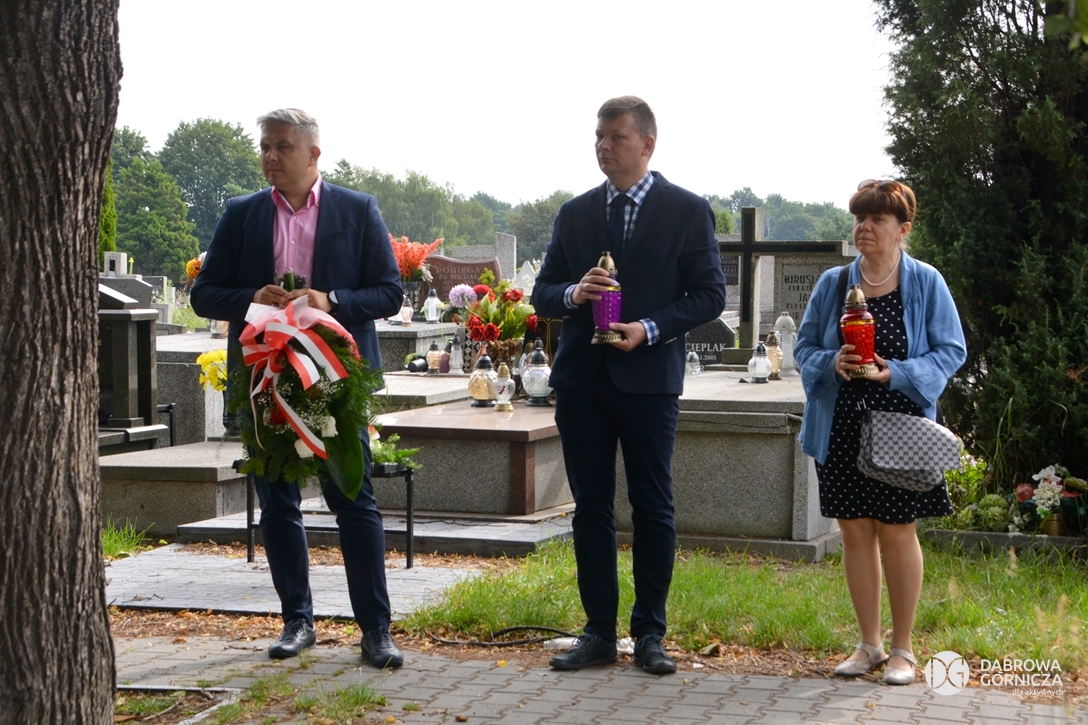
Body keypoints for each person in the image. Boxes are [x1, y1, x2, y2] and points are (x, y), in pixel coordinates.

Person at [191, 108, 405, 668]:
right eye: (265, 146)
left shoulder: (357, 209)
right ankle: (297, 621)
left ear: (313, 154)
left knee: (353, 499)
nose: (270, 157)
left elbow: (389, 292)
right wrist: (251, 298)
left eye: (282, 147)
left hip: (336, 378)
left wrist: (328, 300)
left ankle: (376, 630)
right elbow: (204, 294)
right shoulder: (241, 214)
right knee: (278, 503)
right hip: (265, 379)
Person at [533, 96, 726, 675]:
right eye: (598, 136)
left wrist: (649, 328)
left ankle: (650, 634)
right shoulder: (575, 213)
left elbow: (709, 295)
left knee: (653, 507)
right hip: (582, 383)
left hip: (648, 382)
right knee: (590, 509)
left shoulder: (687, 210)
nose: (603, 146)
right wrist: (575, 293)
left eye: (616, 136)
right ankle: (597, 632)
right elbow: (543, 293)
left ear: (647, 144)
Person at [794, 179, 966, 685]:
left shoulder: (926, 281)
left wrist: (900, 373)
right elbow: (804, 349)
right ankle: (868, 644)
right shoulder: (832, 284)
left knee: (896, 530)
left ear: (902, 229)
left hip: (902, 430)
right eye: (859, 219)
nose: (864, 228)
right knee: (854, 531)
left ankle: (903, 650)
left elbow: (951, 350)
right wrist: (832, 362)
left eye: (877, 220)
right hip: (840, 425)